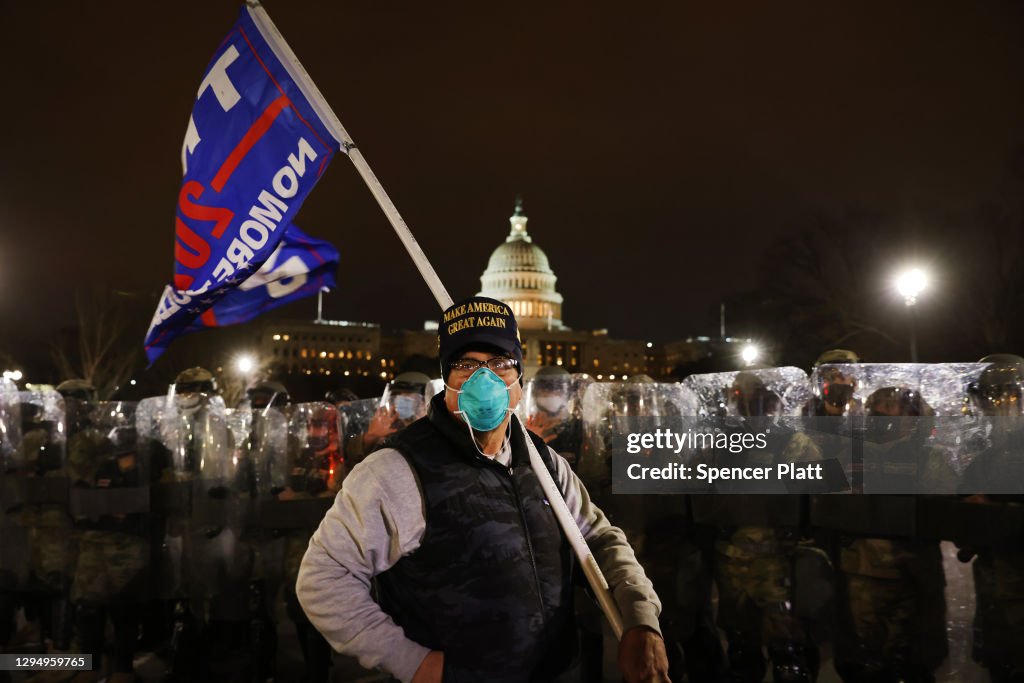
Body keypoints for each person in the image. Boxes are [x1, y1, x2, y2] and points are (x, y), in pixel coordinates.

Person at [297, 295, 669, 683]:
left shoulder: (542, 461)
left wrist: (641, 618)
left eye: (500, 364)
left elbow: (598, 540)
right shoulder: (398, 470)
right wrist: (413, 663)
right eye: (466, 366)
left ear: (519, 380)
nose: (485, 379)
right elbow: (323, 577)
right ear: (447, 381)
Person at [832, 387, 955, 682]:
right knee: (867, 661)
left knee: (916, 660)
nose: (887, 415)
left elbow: (946, 509)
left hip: (914, 572)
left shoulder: (931, 457)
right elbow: (825, 501)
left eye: (895, 407)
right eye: (881, 408)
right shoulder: (850, 454)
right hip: (863, 573)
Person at [958, 354, 1024, 682]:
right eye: (992, 397)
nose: (1000, 406)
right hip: (995, 588)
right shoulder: (981, 457)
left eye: (1009, 396)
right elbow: (961, 523)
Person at [345, 372, 431, 465]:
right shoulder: (387, 430)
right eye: (397, 395)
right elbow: (352, 463)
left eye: (407, 395)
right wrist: (371, 437)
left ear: (425, 401)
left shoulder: (437, 432)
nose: (399, 399)